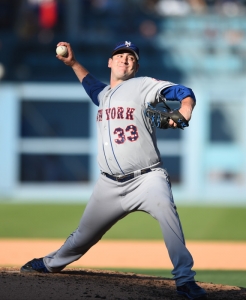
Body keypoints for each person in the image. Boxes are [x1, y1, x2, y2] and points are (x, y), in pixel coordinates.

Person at [20, 40, 208, 299]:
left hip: (147, 178)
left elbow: (182, 91)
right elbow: (91, 85)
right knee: (83, 236)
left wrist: (185, 108)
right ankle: (51, 263)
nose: (124, 59)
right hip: (108, 184)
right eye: (119, 55)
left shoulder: (143, 85)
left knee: (168, 216)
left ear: (136, 65)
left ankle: (185, 280)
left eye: (130, 57)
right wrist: (73, 63)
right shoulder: (104, 94)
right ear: (110, 62)